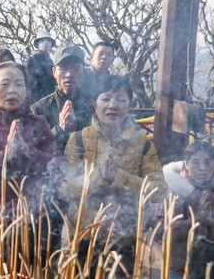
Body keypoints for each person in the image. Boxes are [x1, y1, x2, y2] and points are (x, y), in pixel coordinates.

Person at [0, 62, 63, 273]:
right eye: (4, 84)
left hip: (32, 217)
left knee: (28, 272)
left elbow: (57, 166)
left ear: (26, 90)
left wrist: (28, 151)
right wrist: (4, 155)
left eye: (19, 84)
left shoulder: (38, 123)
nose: (12, 90)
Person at [60, 75, 166, 275]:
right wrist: (100, 176)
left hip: (125, 239)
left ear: (129, 105)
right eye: (106, 98)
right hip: (84, 236)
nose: (113, 105)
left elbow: (159, 190)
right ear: (95, 103)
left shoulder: (143, 145)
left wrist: (118, 177)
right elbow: (65, 189)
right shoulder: (78, 140)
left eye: (120, 99)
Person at [162, 141, 214, 278]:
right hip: (179, 269)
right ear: (186, 164)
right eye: (196, 162)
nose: (202, 167)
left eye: (208, 162)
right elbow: (162, 232)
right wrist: (195, 220)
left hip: (209, 268)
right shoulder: (174, 191)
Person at [30, 45, 94, 150]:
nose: (69, 74)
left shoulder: (94, 105)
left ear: (84, 71)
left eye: (76, 68)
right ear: (54, 72)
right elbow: (35, 151)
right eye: (63, 68)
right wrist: (59, 130)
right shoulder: (38, 109)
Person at [26, 29, 57, 103]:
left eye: (48, 40)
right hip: (35, 99)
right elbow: (27, 82)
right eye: (43, 40)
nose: (46, 42)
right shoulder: (31, 60)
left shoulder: (50, 61)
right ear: (37, 44)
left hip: (49, 99)